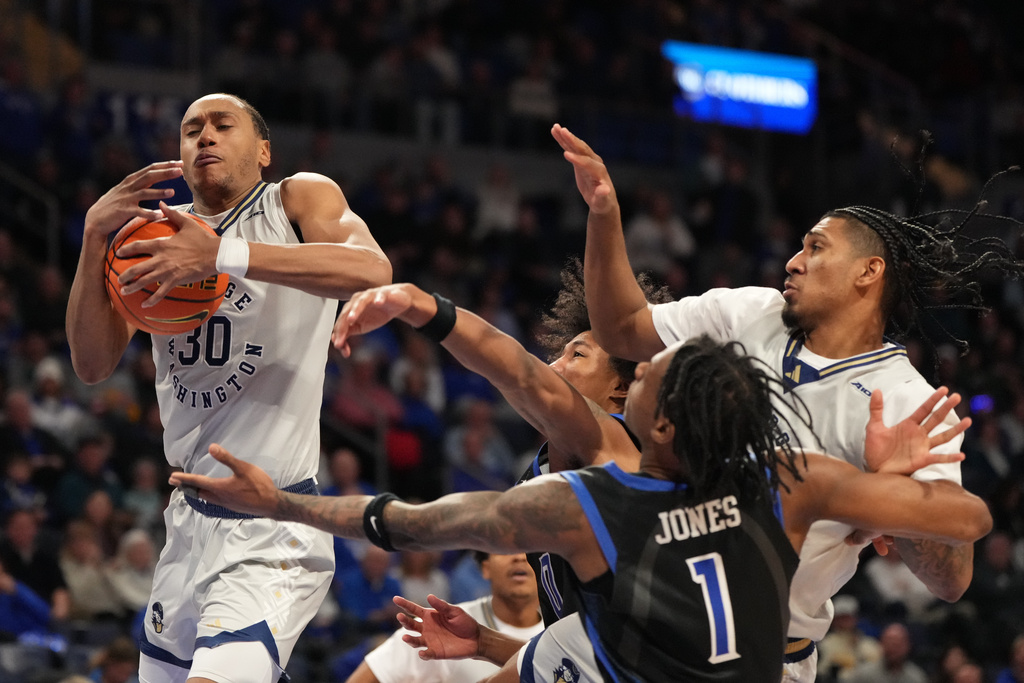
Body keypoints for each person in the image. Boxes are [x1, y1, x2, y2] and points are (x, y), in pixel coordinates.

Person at [168, 335, 989, 683]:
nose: (633, 381)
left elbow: (409, 522)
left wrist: (280, 500)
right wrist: (898, 489)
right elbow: (973, 522)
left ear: (660, 424)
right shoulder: (796, 476)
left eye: (645, 380)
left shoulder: (591, 506)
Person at [557, 122, 1014, 681]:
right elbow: (621, 326)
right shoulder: (752, 312)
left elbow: (952, 580)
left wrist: (898, 496)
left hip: (764, 655)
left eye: (815, 248)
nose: (794, 261)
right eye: (799, 247)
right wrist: (604, 214)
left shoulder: (905, 402)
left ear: (869, 273)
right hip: (655, 609)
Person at [65, 92, 391, 683]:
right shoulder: (152, 240)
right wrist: (93, 240)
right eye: (191, 130)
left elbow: (371, 270)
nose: (205, 137)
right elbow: (91, 365)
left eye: (223, 125)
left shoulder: (295, 199)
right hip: (186, 524)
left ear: (263, 150)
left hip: (274, 517)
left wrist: (223, 254)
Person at [344, 552, 542, 683]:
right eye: (506, 548)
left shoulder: (565, 629)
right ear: (485, 567)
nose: (519, 557)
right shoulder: (443, 626)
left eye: (530, 549)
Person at [841, 622, 927, 683]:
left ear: (907, 646)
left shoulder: (916, 678)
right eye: (889, 644)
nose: (893, 649)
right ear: (882, 645)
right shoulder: (863, 674)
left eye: (897, 645)